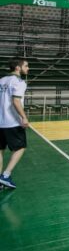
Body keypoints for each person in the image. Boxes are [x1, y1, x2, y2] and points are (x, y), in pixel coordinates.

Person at [0, 58, 29, 189]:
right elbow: (16, 102)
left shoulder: (1, 81)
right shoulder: (19, 82)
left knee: (0, 150)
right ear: (18, 67)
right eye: (26, 66)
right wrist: (24, 117)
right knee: (20, 147)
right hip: (12, 122)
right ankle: (6, 175)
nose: (28, 68)